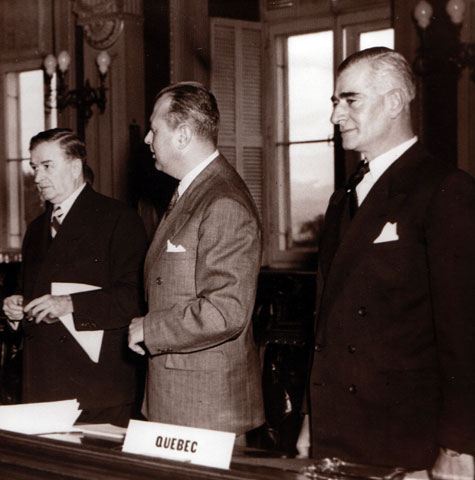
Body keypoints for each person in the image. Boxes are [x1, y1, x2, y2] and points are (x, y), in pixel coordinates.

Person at [301, 47, 475, 477]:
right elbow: (325, 322)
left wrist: (458, 445)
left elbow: (464, 332)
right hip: (338, 430)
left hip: (404, 437)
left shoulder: (445, 190)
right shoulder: (343, 197)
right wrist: (311, 417)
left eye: (350, 100)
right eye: (334, 102)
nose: (336, 115)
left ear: (395, 102)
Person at [128, 82, 264, 441]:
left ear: (183, 135)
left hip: (206, 411)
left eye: (155, 129)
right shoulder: (195, 190)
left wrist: (149, 329)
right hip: (180, 401)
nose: (147, 139)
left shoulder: (222, 201)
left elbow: (225, 311)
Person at [2, 128, 148, 426]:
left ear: (75, 166)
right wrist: (15, 307)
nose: (38, 177)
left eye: (46, 166)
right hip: (41, 386)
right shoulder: (36, 229)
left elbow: (134, 297)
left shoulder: (118, 219)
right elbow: (29, 289)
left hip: (97, 389)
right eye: (34, 168)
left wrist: (71, 303)